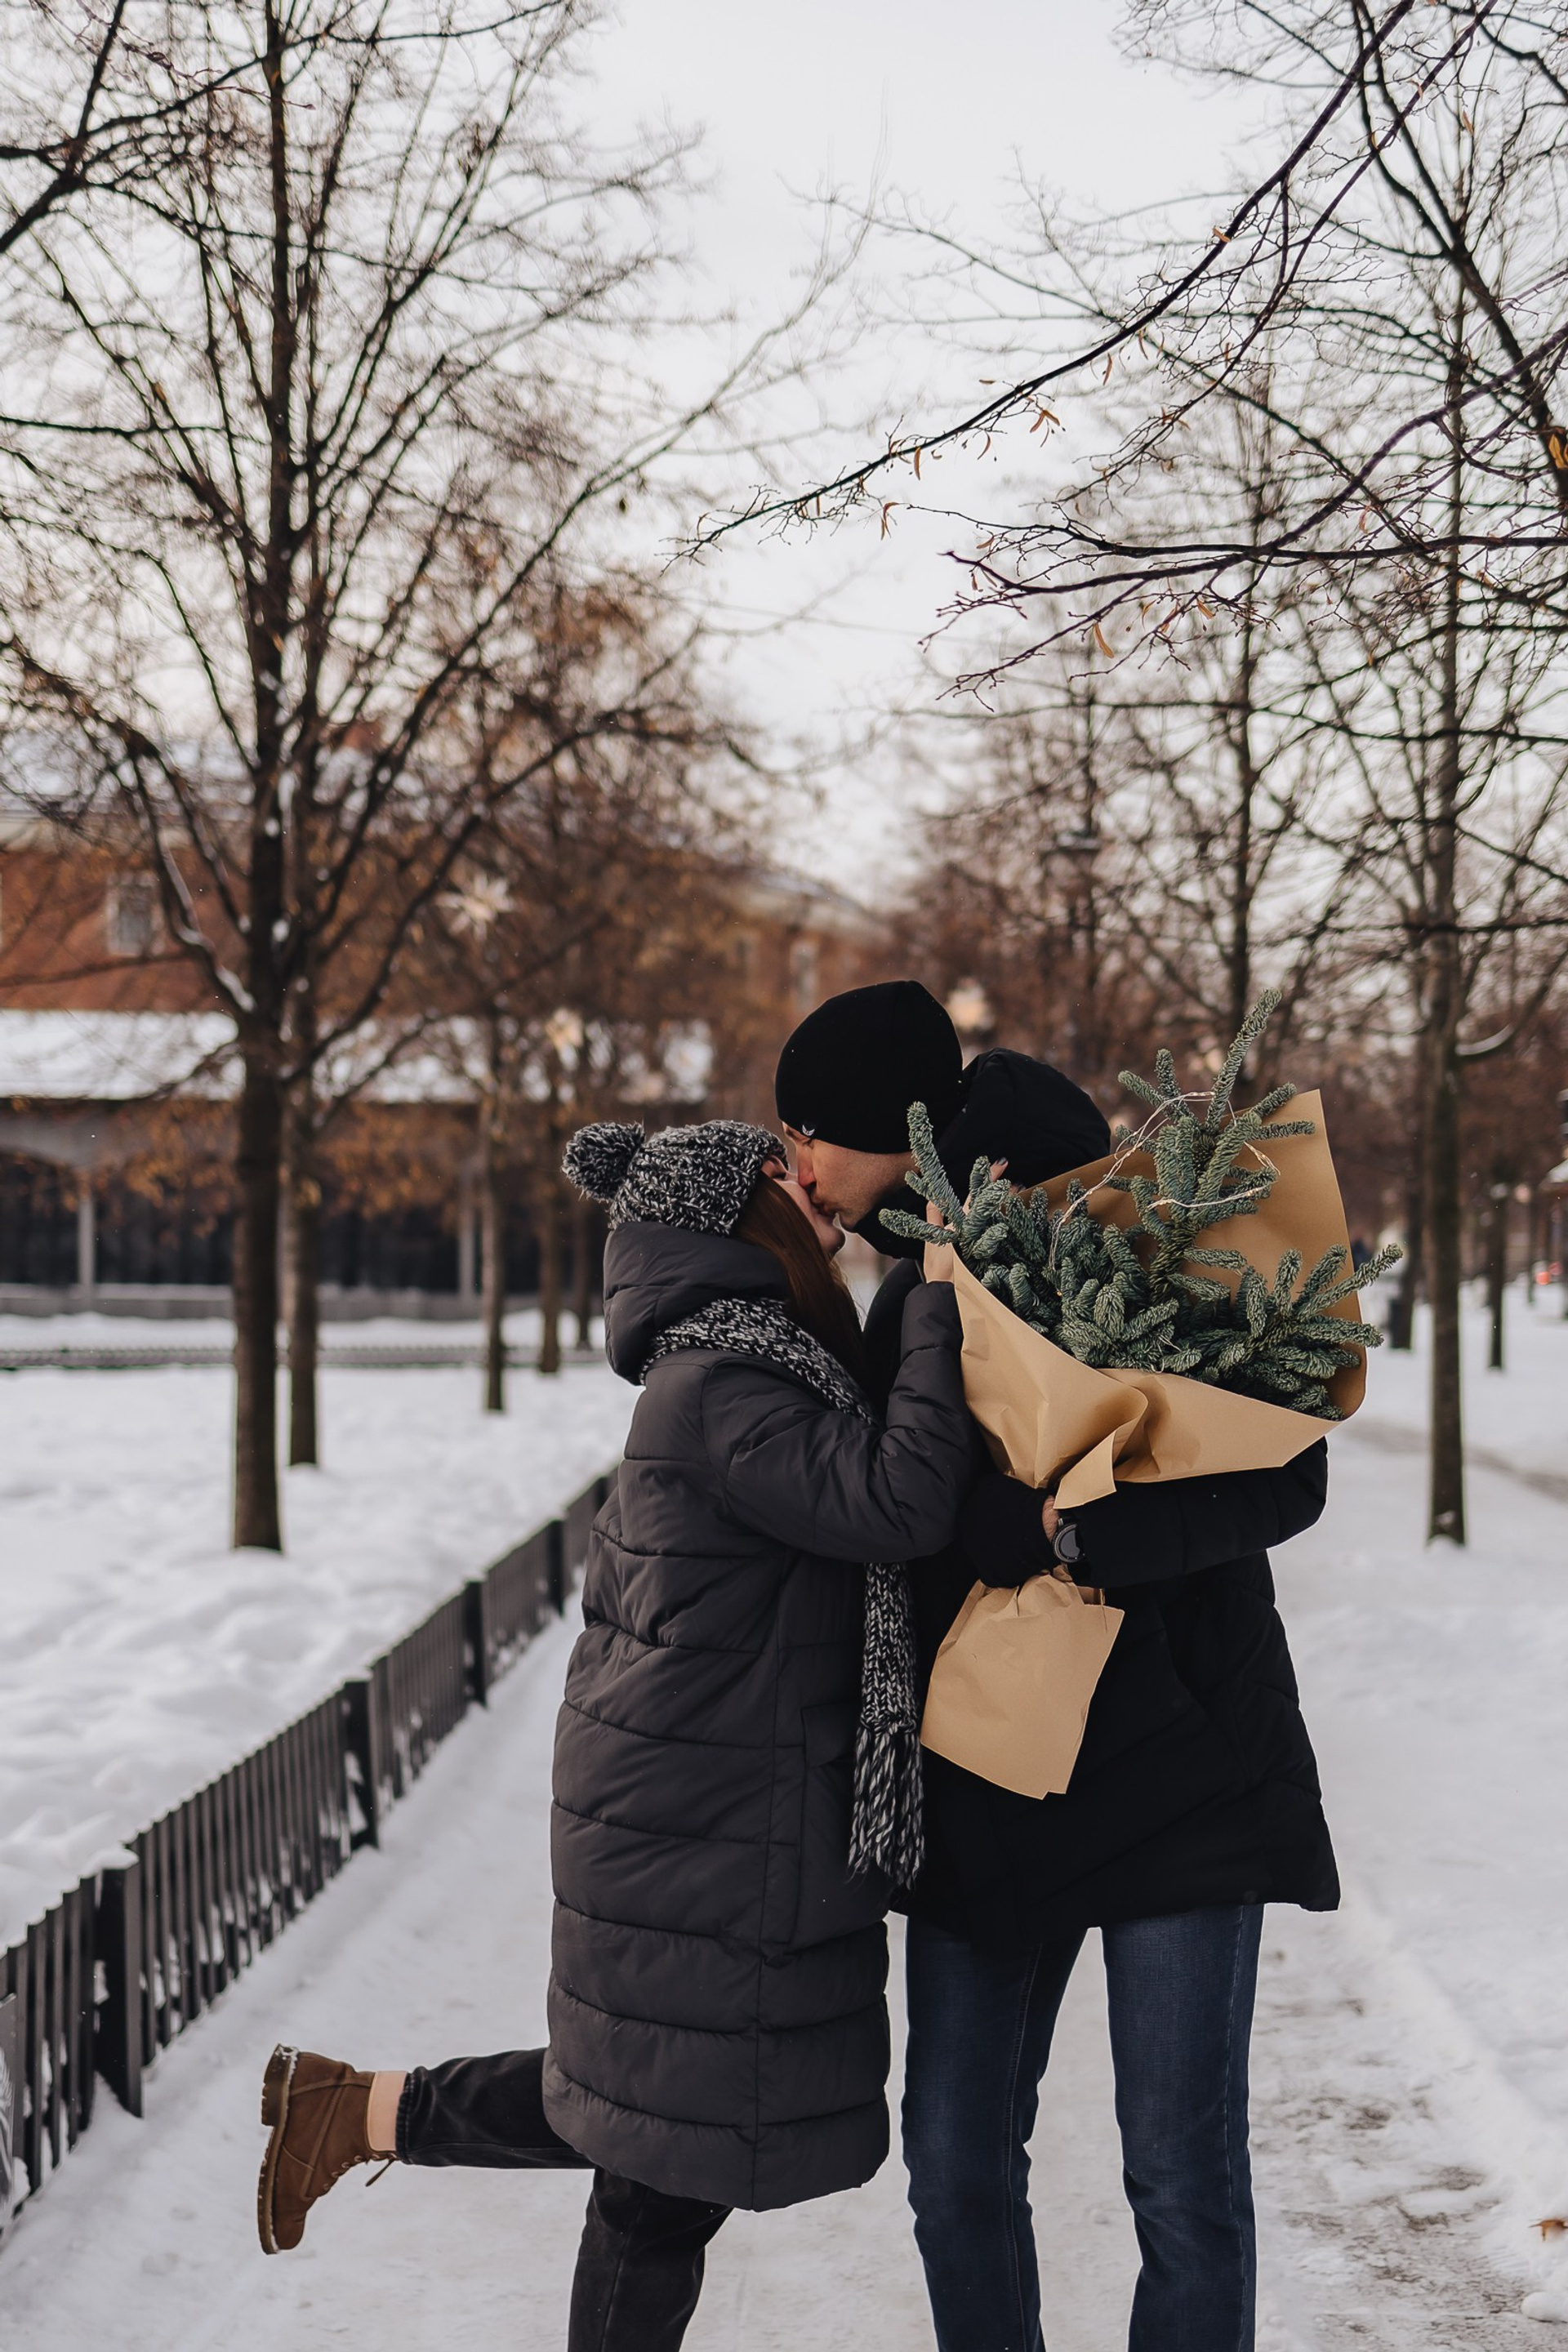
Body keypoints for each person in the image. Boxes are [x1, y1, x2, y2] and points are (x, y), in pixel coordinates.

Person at [254, 1114, 971, 2352]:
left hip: (704, 1795)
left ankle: (356, 2111)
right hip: (704, 1812)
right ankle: (355, 2113)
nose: (821, 1192)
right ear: (736, 1219)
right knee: (664, 2164)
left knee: (668, 2108)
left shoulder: (749, 1361)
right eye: (790, 1182)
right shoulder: (728, 1381)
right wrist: (935, 1301)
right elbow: (897, 1500)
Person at [776, 980, 1337, 2352]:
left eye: (806, 1135)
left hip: (1187, 1773)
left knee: (1183, 2182)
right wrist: (1002, 1522)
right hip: (990, 1785)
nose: (796, 1165)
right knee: (958, 2167)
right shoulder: (910, 1301)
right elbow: (901, 1520)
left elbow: (1287, 1474)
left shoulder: (1163, 1260)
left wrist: (1082, 1526)